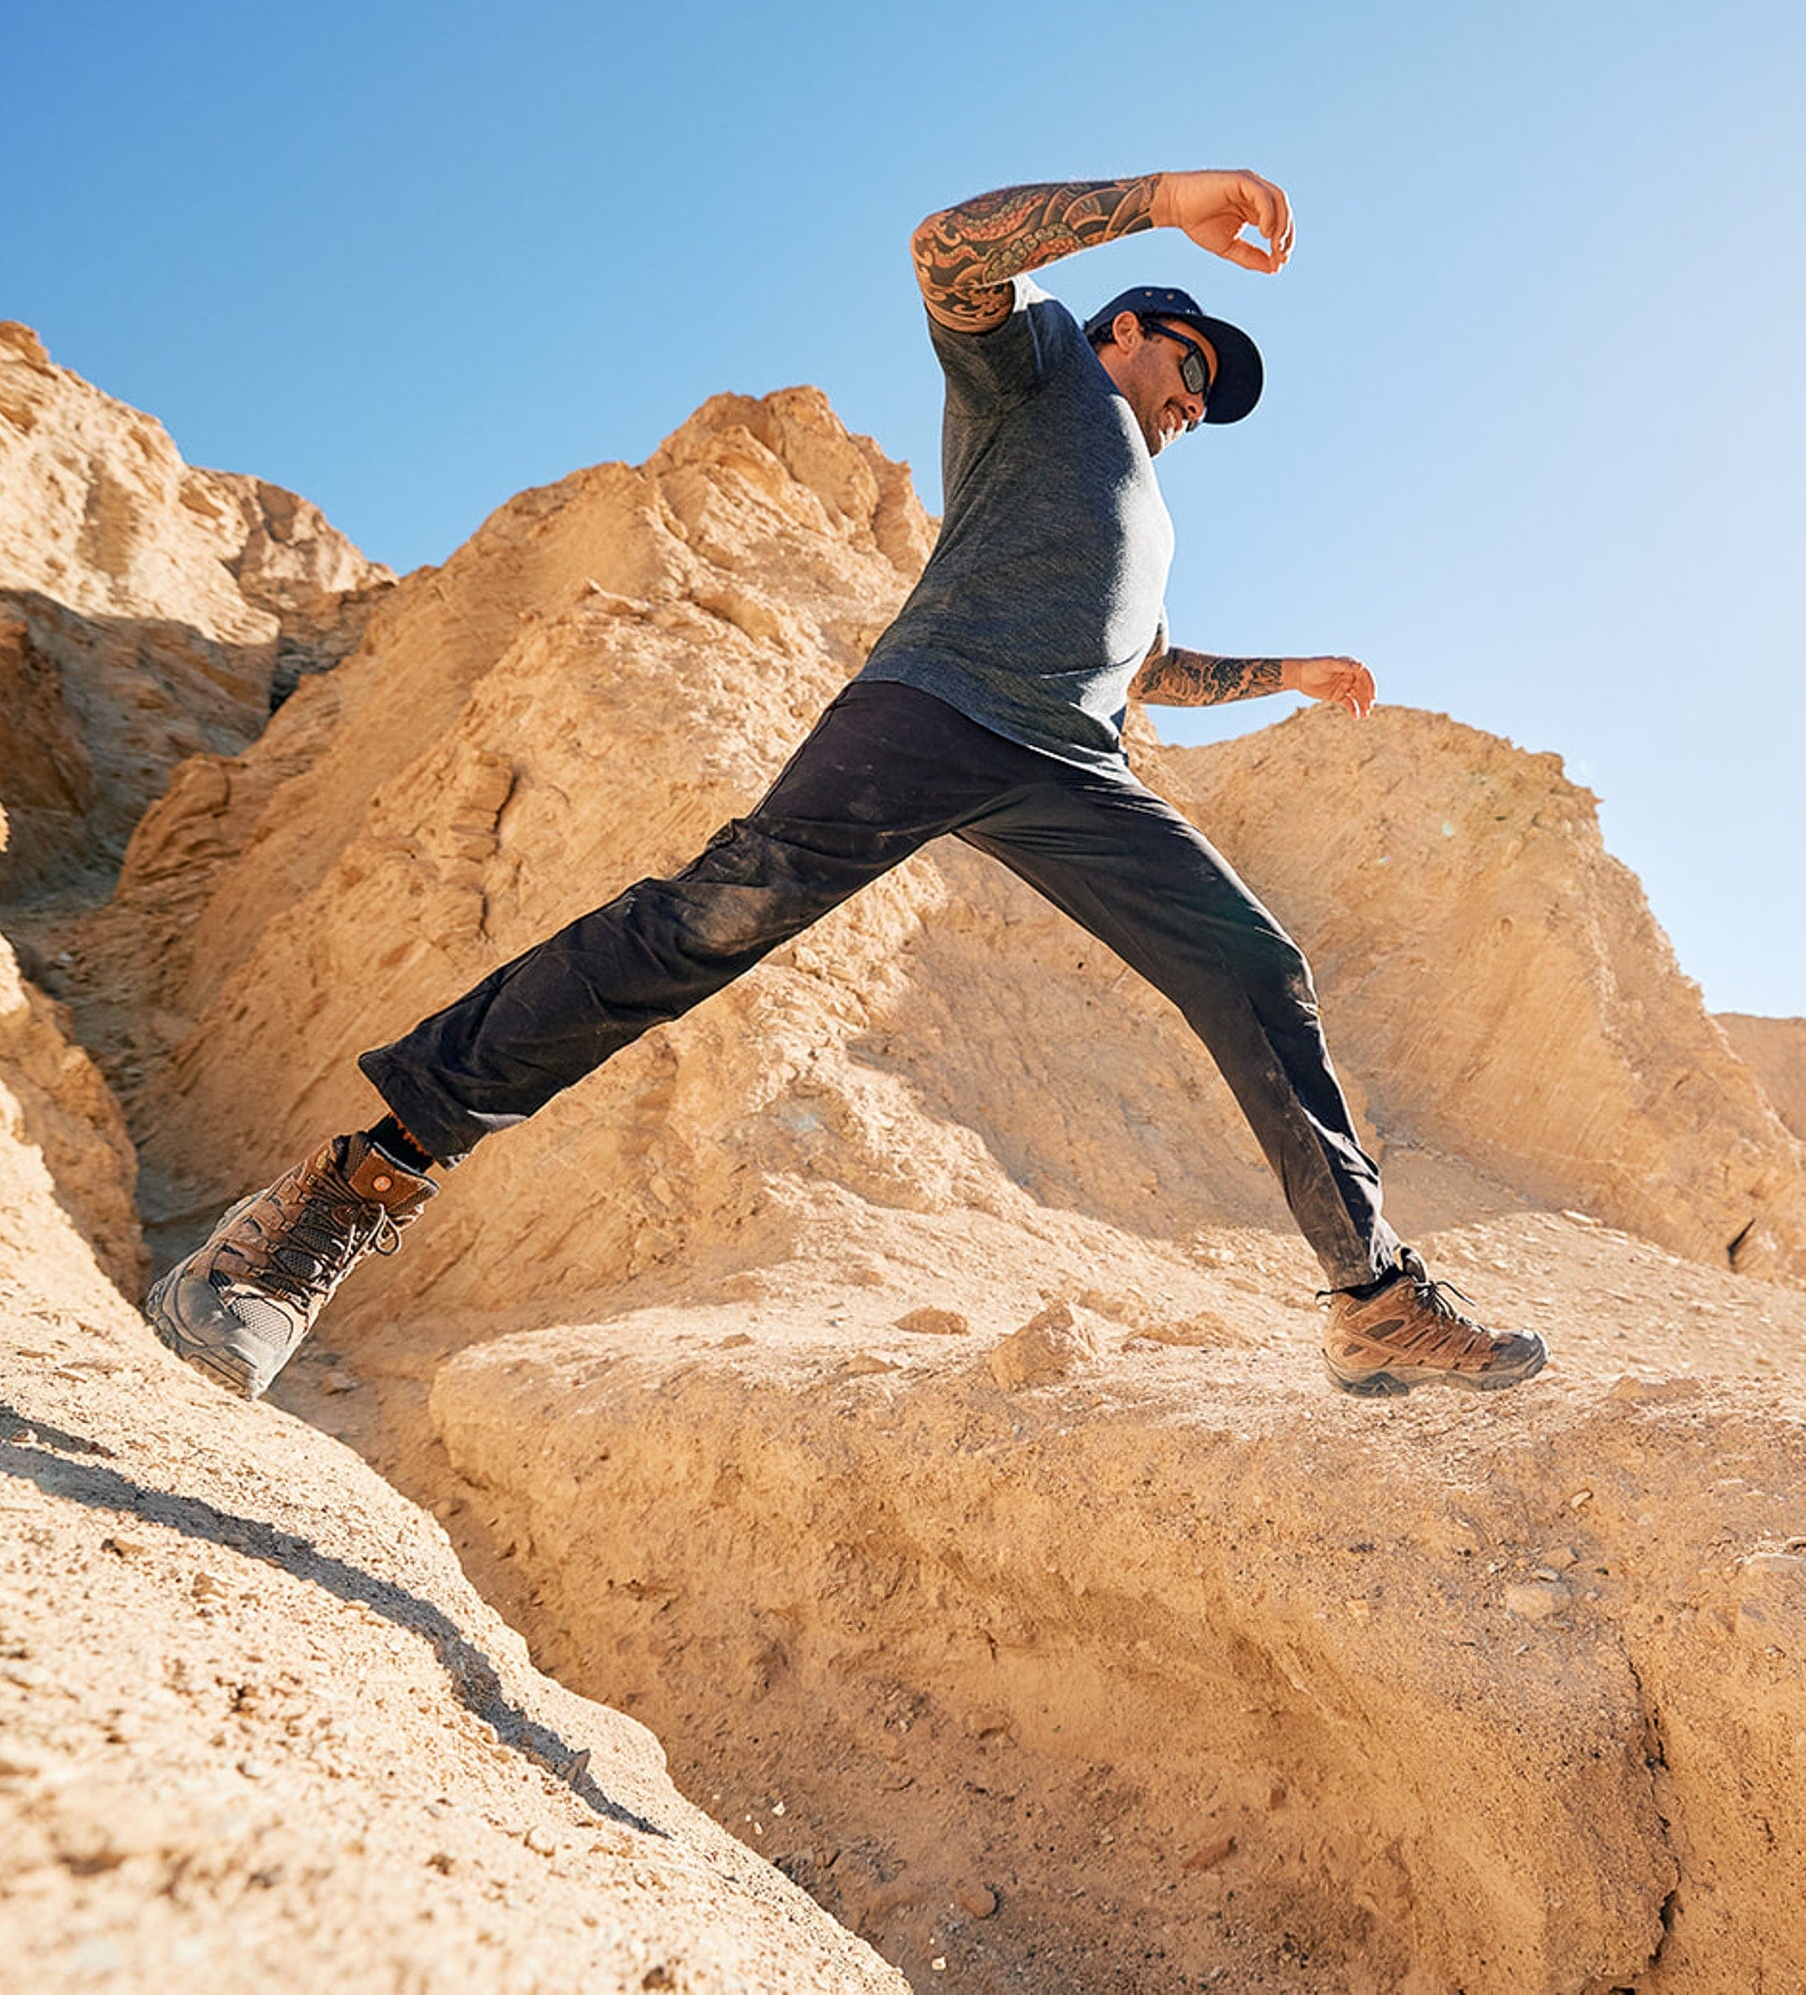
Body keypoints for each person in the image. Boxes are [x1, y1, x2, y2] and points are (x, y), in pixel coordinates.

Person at [143, 167, 1548, 1404]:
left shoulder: (1143, 500)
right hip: (929, 711)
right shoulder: (1043, 370)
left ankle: (1371, 1306)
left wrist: (1286, 671)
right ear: (1129, 326)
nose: (1197, 403)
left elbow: (1148, 668)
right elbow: (951, 243)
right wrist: (1169, 197)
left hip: (1071, 757)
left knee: (1254, 965)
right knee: (697, 930)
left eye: (1211, 402)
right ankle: (329, 1206)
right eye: (1191, 366)